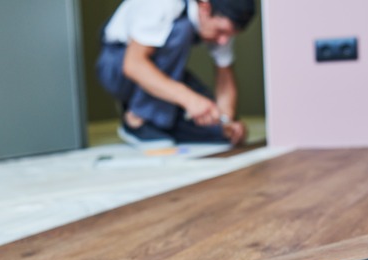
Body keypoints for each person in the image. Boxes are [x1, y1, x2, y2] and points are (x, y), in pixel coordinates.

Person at [96, 0, 255, 149]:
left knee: (214, 125)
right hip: (117, 66)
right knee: (181, 30)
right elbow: (133, 65)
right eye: (220, 31)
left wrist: (225, 121)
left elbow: (225, 78)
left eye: (229, 34)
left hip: (163, 72)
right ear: (205, 7)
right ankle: (136, 119)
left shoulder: (221, 28)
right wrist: (189, 99)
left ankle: (159, 123)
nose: (223, 41)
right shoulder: (164, 4)